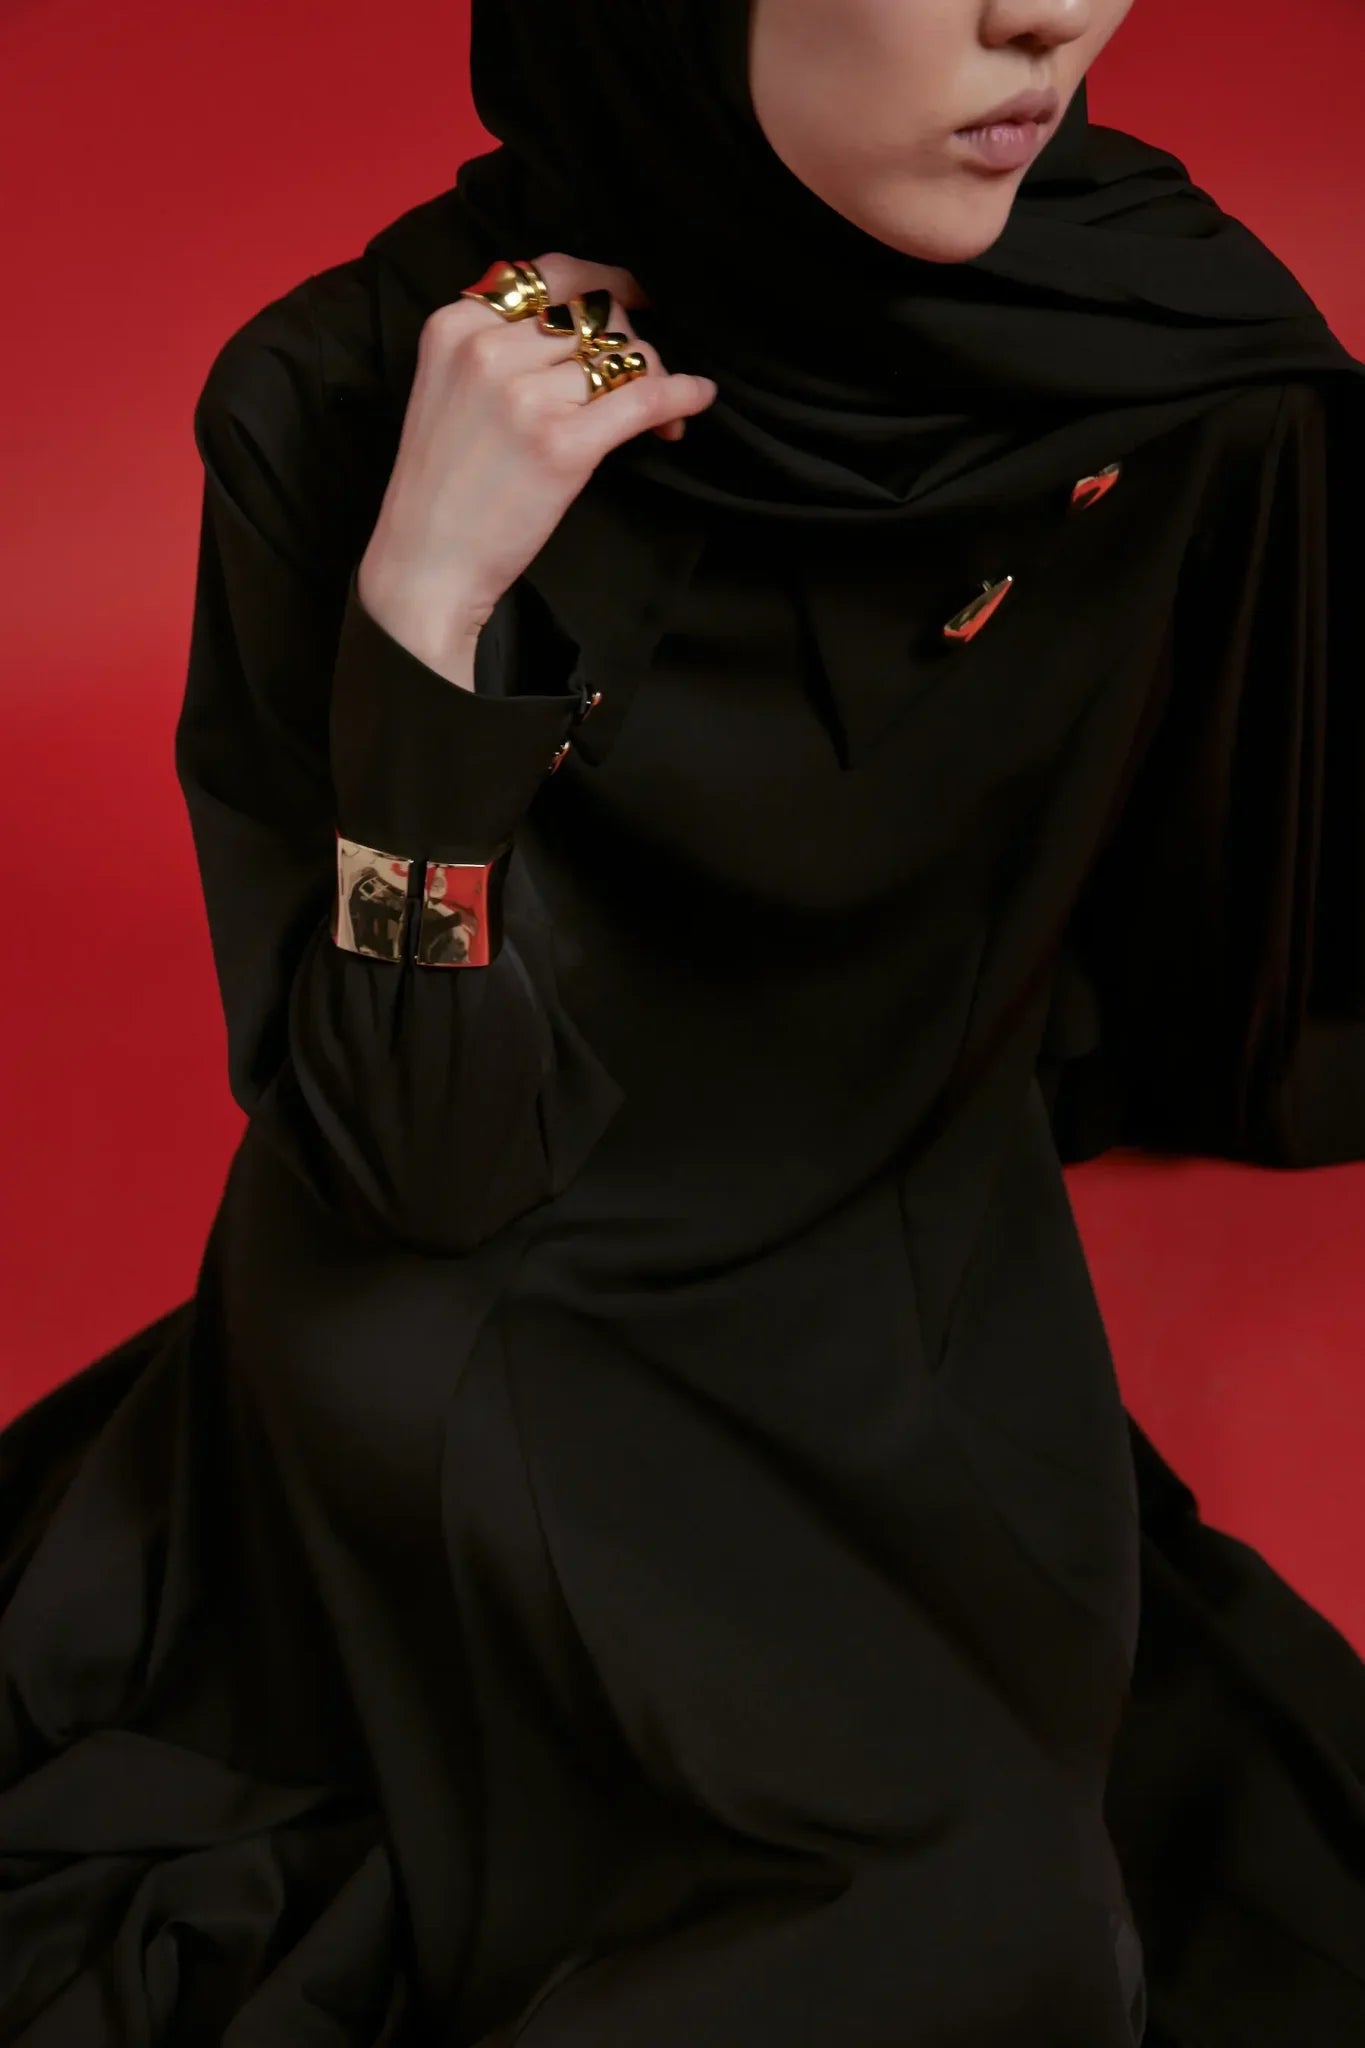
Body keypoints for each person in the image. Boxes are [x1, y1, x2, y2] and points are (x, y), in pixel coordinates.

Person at [3, 1, 1364, 2041]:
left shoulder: (1168, 361)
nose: (1046, 12)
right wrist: (426, 620)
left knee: (1061, 1896)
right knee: (940, 1922)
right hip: (475, 1315)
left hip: (888, 1283)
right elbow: (415, 1160)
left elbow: (1223, 938)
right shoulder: (348, 390)